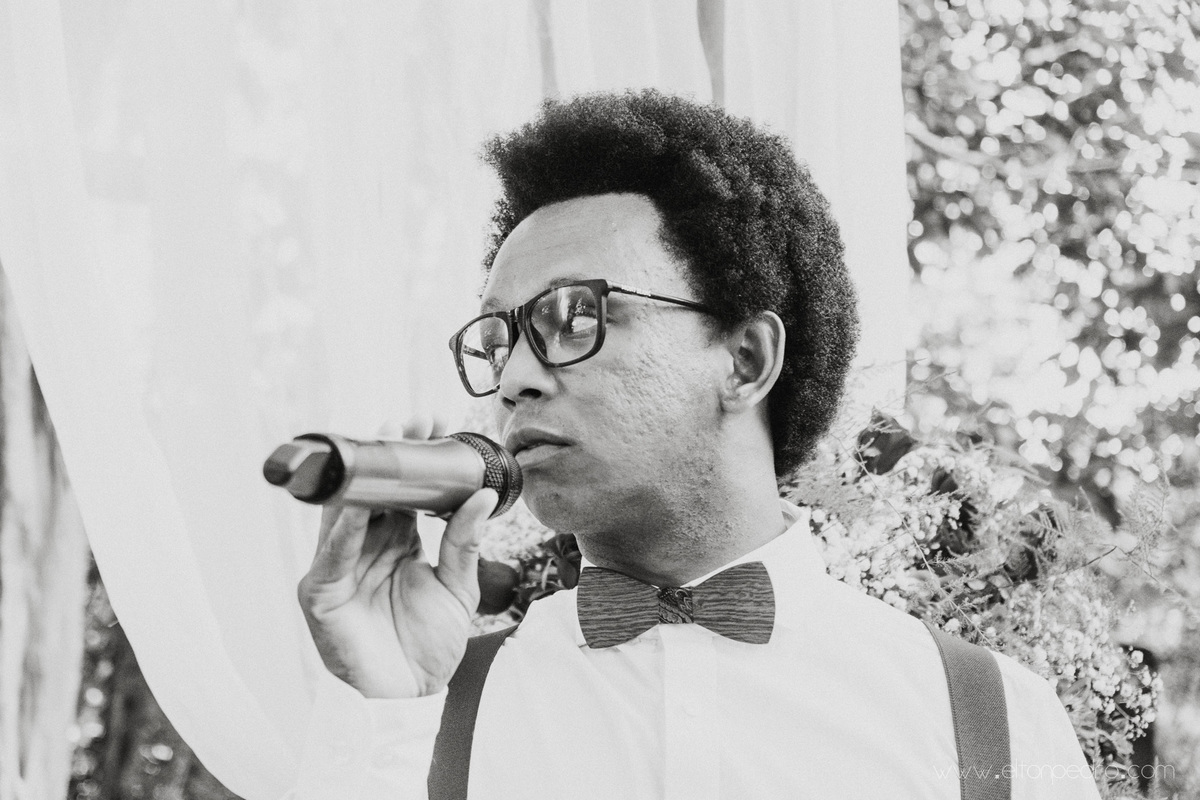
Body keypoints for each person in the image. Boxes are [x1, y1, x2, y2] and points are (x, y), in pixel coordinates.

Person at [289, 90, 1101, 799]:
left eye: (574, 317)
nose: (514, 381)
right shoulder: (430, 711)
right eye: (500, 340)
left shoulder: (991, 718)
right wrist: (388, 710)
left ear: (745, 360)